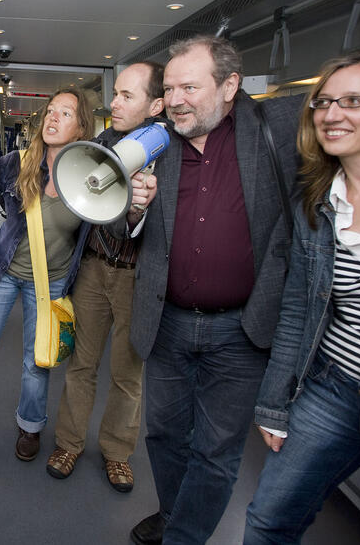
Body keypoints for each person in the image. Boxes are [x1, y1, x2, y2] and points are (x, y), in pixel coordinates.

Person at [244, 50, 360, 544]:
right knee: (267, 521)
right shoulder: (320, 199)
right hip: (334, 390)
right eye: (323, 102)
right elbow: (299, 308)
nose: (330, 114)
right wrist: (274, 402)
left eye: (353, 101)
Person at [127, 35, 300, 545]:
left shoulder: (276, 130)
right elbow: (118, 228)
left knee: (217, 452)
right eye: (170, 88)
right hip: (167, 320)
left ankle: (182, 536)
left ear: (229, 86)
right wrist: (134, 208)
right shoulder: (154, 144)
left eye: (189, 87)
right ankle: (174, 512)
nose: (175, 99)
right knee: (163, 436)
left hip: (242, 327)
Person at [0, 88, 152, 465]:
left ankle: (30, 426)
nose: (53, 118)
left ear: (81, 127)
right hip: (2, 272)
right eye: (50, 111)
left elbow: (112, 229)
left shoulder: (91, 176)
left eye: (65, 113)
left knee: (37, 361)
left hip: (53, 281)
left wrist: (134, 209)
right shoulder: (14, 163)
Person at [46, 62, 164, 492]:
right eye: (115, 95)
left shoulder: (172, 155)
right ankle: (68, 442)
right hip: (95, 269)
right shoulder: (98, 146)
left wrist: (144, 207)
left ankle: (117, 452)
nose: (113, 103)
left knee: (127, 375)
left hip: (137, 277)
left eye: (126, 96)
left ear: (156, 105)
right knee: (81, 365)